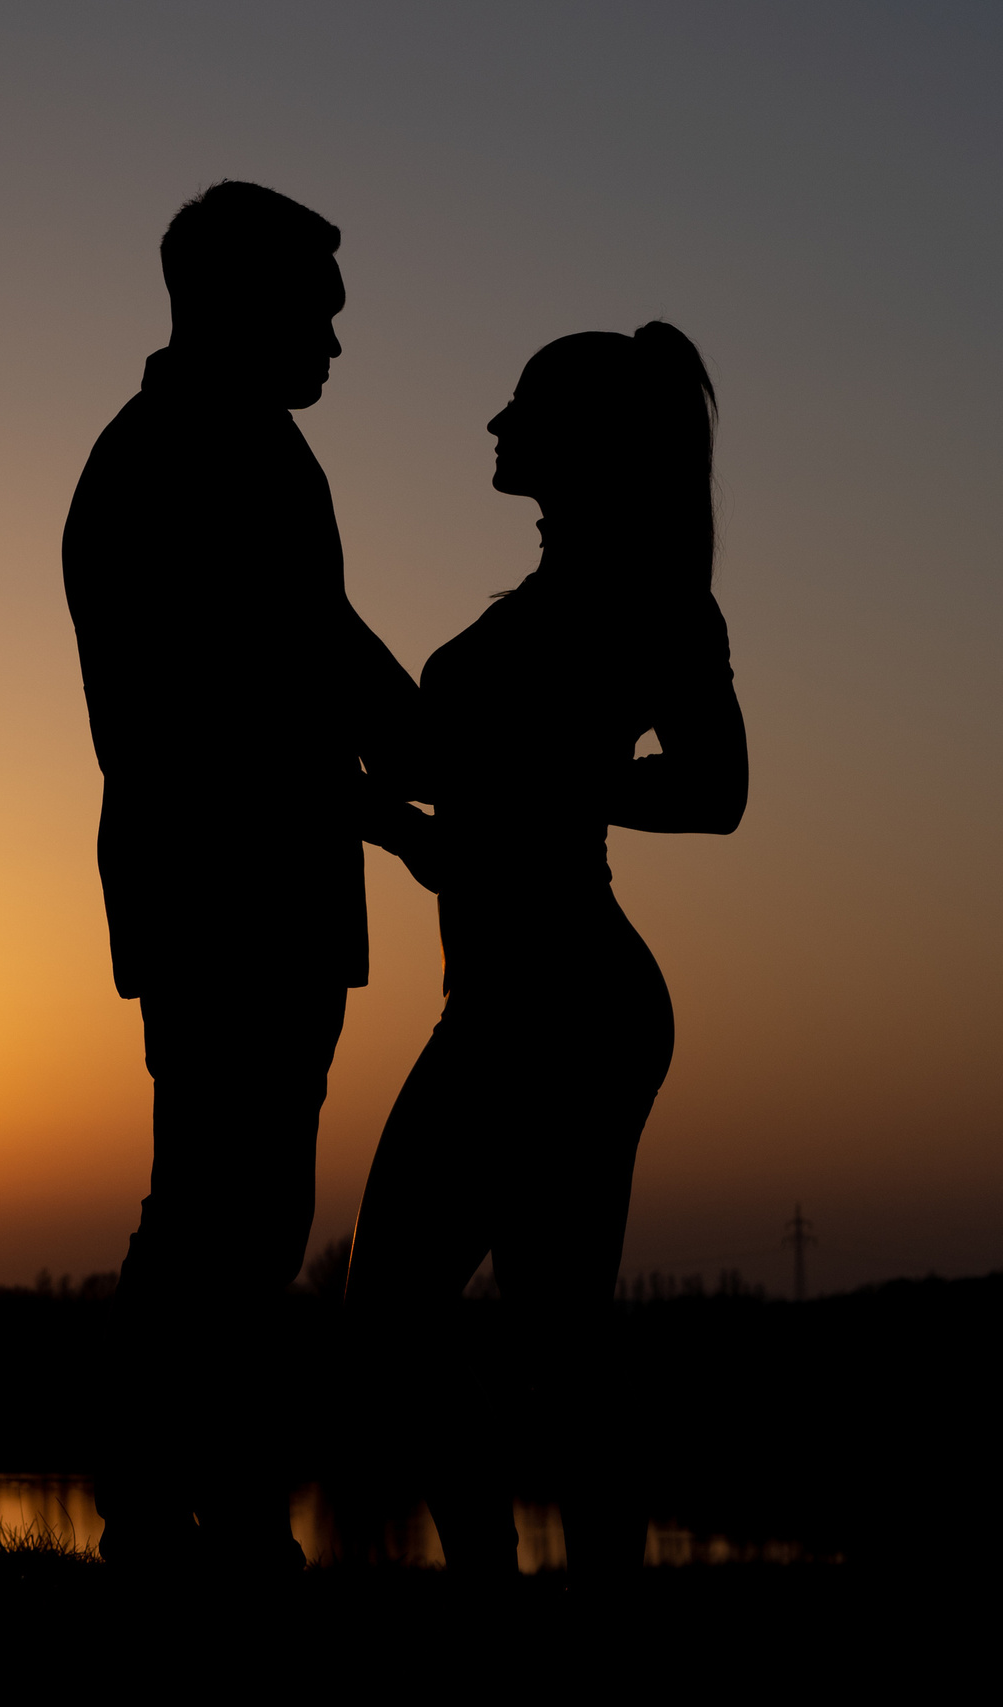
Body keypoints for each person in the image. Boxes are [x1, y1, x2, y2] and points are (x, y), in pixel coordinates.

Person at [347, 323, 748, 1577]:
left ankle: (509, 1579)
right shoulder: (535, 605)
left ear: (580, 443)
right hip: (509, 993)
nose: (493, 425)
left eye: (519, 407)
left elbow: (716, 789)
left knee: (439, 1322)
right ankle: (512, 1577)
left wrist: (556, 780)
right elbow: (451, 798)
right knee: (505, 1331)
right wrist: (393, 820)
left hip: (566, 999)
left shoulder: (651, 599)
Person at [62, 181, 421, 1571]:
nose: (333, 339)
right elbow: (209, 724)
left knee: (249, 1207)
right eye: (313, 311)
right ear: (232, 304)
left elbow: (327, 653)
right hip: (221, 885)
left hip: (268, 878)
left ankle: (202, 1504)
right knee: (221, 1202)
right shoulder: (167, 462)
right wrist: (405, 804)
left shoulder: (256, 450)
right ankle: (173, 1510)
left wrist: (444, 757)